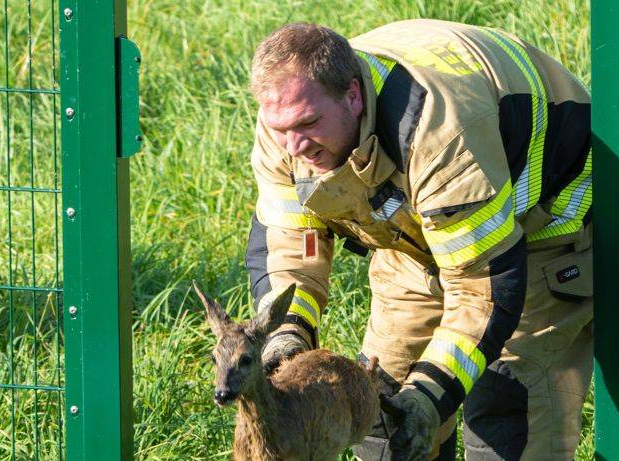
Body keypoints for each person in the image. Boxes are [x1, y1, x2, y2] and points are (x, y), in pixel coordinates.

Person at [244, 20, 592, 460]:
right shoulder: (288, 117)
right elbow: (292, 243)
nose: (293, 147)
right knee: (383, 419)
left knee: (506, 410)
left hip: (541, 233)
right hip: (417, 241)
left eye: (307, 124)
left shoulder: (440, 133)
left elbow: (481, 289)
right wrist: (286, 336)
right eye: (280, 129)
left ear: (353, 95)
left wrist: (430, 394)